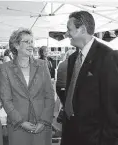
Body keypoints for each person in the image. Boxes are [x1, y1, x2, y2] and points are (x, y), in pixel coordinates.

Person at [61, 11, 118, 145]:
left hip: (93, 137)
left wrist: (105, 140)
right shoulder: (73, 58)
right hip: (70, 133)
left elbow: (113, 109)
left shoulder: (107, 57)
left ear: (82, 30)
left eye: (69, 30)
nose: (67, 34)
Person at [0, 28, 55, 145]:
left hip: (41, 124)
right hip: (18, 125)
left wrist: (44, 121)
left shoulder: (42, 65)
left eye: (32, 42)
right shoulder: (6, 68)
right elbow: (6, 99)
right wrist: (20, 122)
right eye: (26, 42)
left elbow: (49, 95)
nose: (31, 45)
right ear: (16, 45)